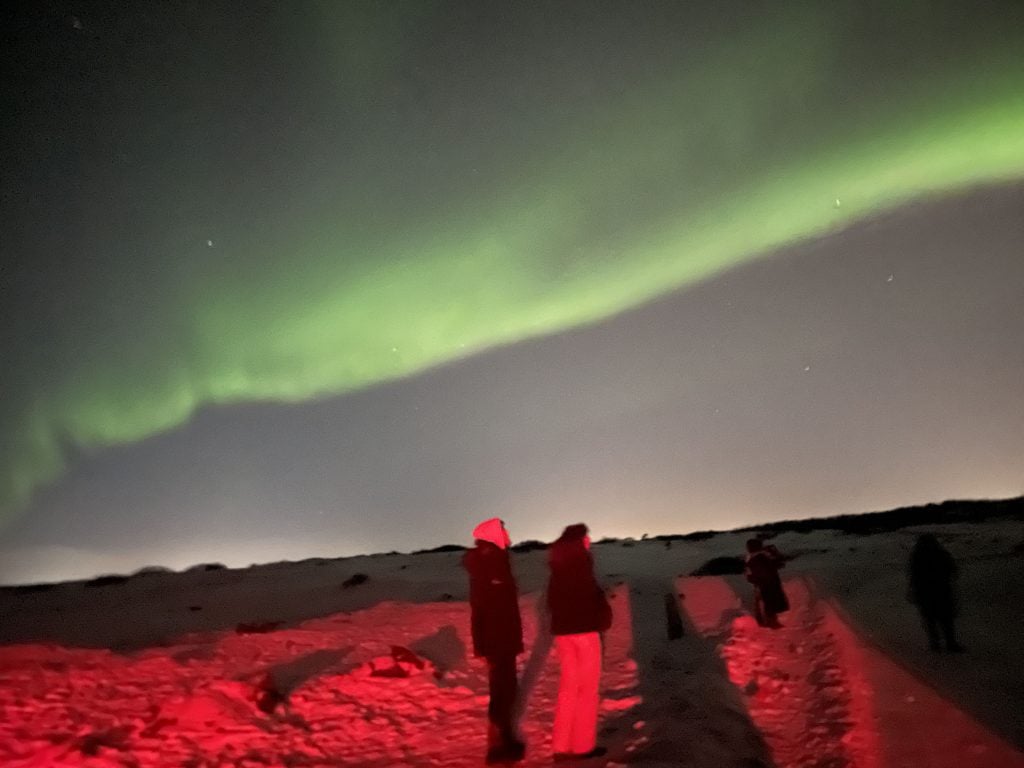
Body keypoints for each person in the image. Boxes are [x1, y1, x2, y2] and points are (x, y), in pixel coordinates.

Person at [463, 518, 526, 764]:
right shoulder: (490, 562)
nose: (508, 533)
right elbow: (482, 606)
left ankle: (502, 741)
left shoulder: (494, 560)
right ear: (493, 535)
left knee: (505, 690)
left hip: (501, 637)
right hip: (498, 638)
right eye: (503, 529)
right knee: (502, 691)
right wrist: (483, 644)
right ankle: (499, 747)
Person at [547, 524, 612, 761]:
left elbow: (553, 601)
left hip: (563, 633)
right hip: (584, 632)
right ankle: (583, 745)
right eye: (586, 538)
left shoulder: (557, 566)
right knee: (587, 689)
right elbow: (590, 599)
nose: (589, 541)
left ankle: (561, 745)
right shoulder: (581, 564)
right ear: (580, 540)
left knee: (568, 688)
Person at [908, 533, 964, 652]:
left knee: (930, 620)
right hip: (942, 590)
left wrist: (912, 589)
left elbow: (913, 575)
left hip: (925, 592)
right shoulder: (941, 553)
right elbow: (953, 568)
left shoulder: (917, 556)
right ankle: (950, 643)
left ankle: (935, 644)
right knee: (946, 619)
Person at [744, 538, 789, 628]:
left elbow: (754, 574)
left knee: (766, 604)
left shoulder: (754, 559)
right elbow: (779, 564)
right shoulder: (761, 558)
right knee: (768, 604)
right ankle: (768, 622)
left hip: (764, 585)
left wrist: (752, 579)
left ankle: (767, 622)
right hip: (767, 585)